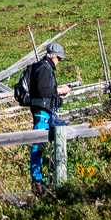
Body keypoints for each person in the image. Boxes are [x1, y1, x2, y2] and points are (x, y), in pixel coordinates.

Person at [29, 41, 71, 194]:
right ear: (54, 57)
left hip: (44, 109)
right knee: (38, 144)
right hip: (41, 111)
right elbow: (43, 91)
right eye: (59, 58)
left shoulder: (44, 67)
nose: (59, 62)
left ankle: (39, 179)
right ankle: (37, 181)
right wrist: (60, 91)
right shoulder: (45, 69)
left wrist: (56, 96)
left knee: (41, 144)